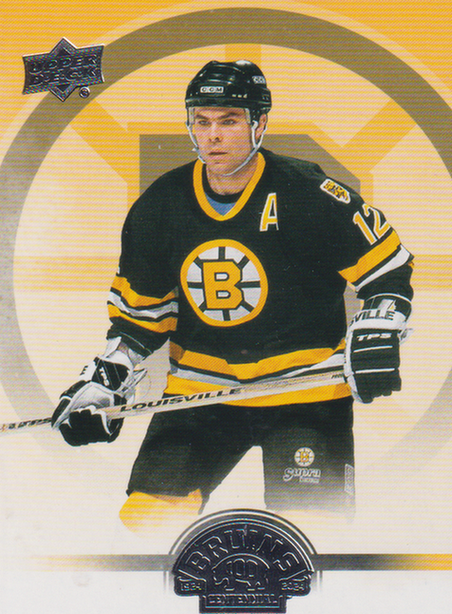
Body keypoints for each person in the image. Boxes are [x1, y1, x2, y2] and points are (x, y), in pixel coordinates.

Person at [52, 60, 414, 534]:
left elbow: (387, 271)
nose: (213, 136)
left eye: (229, 121)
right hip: (199, 394)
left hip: (305, 390)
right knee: (144, 525)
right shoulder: (160, 204)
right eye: (201, 121)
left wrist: (380, 325)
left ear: (259, 124)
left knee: (311, 533)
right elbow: (140, 317)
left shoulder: (308, 191)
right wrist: (108, 377)